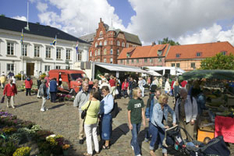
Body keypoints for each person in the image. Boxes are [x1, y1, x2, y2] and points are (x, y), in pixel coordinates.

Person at [81, 89, 101, 156]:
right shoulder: (98, 102)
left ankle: (90, 152)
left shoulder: (89, 102)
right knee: (94, 134)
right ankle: (97, 149)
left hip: (88, 120)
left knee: (88, 136)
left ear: (92, 95)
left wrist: (89, 100)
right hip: (95, 119)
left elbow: (82, 107)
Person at [128, 87, 145, 156]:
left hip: (139, 121)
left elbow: (142, 111)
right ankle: (137, 153)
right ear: (135, 93)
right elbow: (129, 112)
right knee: (135, 137)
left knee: (136, 134)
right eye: (139, 92)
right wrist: (130, 123)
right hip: (133, 121)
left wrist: (143, 120)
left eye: (141, 92)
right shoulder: (131, 102)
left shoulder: (141, 101)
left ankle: (132, 143)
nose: (140, 94)